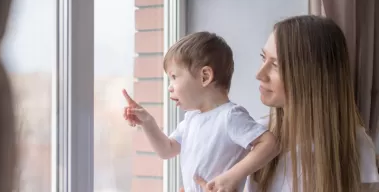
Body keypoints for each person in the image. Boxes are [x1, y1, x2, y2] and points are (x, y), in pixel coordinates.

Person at [194, 15, 379, 192]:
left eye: (275, 65)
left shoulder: (354, 145)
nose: (260, 74)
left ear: (312, 76)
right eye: (263, 57)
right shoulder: (255, 137)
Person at [123, 31, 278, 192]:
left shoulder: (230, 117)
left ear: (205, 76)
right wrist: (147, 122)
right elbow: (166, 150)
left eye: (174, 77)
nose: (170, 87)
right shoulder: (192, 119)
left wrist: (232, 177)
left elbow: (270, 144)